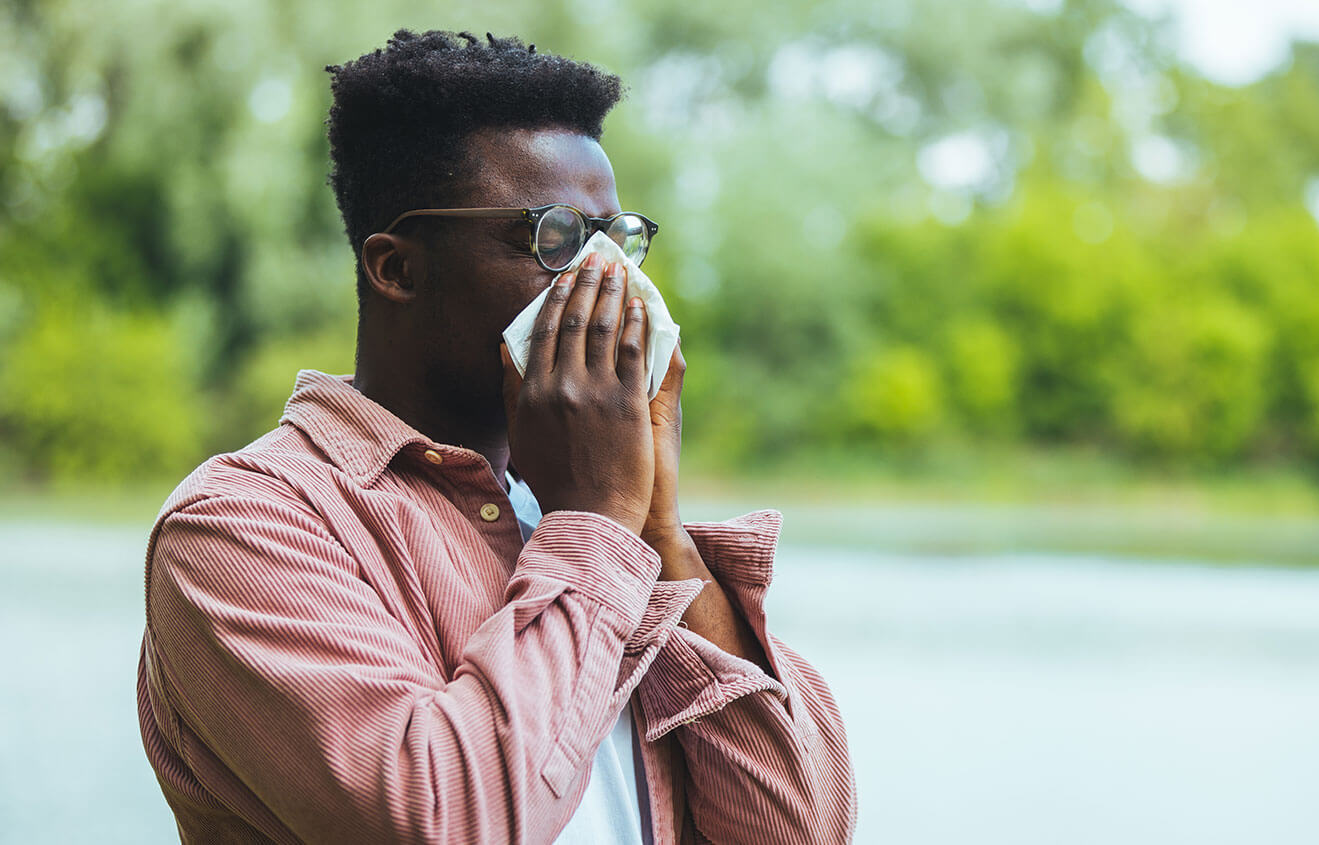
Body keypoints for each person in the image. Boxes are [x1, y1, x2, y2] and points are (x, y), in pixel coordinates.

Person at [136, 30, 856, 844]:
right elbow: (446, 823)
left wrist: (655, 525)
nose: (606, 280)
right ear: (397, 269)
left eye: (615, 240)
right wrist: (595, 527)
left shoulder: (599, 521)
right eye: (552, 238)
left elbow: (800, 829)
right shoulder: (243, 526)